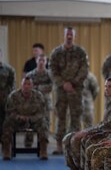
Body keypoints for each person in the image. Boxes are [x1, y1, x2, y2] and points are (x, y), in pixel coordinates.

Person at [50, 26, 89, 154]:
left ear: (74, 36)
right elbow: (52, 71)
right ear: (64, 35)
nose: (69, 36)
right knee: (60, 116)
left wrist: (72, 83)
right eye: (67, 34)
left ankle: (74, 145)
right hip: (61, 90)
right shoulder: (56, 52)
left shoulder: (80, 52)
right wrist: (63, 83)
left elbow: (84, 70)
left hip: (76, 89)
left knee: (75, 117)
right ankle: (59, 145)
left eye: (71, 34)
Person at [2, 77, 48, 160]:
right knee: (7, 123)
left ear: (32, 86)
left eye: (29, 84)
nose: (26, 86)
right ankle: (6, 150)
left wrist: (31, 118)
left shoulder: (38, 96)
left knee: (43, 124)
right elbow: (9, 112)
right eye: (24, 84)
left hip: (33, 121)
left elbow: (42, 113)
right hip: (17, 120)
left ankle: (43, 150)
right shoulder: (13, 96)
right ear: (21, 85)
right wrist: (19, 117)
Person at [26, 53, 53, 147]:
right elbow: (27, 87)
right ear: (36, 61)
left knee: (46, 121)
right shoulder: (30, 74)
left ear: (46, 62)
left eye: (43, 60)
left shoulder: (50, 74)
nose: (41, 62)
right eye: (39, 60)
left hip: (45, 102)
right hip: (32, 102)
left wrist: (38, 88)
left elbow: (52, 86)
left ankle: (44, 141)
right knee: (29, 121)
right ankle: (28, 141)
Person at [0, 48, 16, 141]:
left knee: (5, 122)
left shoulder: (9, 69)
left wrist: (3, 93)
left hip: (5, 100)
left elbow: (12, 86)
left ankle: (5, 143)